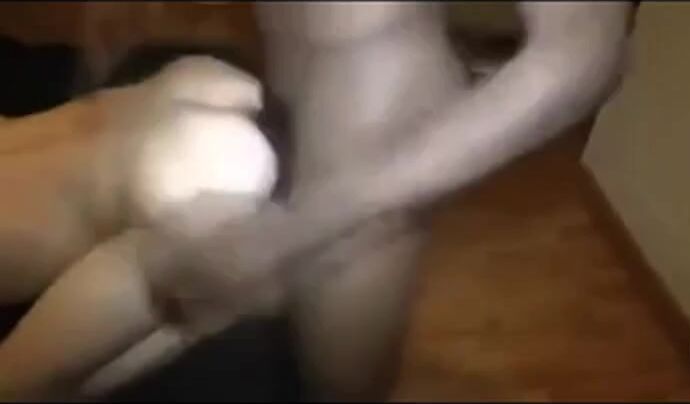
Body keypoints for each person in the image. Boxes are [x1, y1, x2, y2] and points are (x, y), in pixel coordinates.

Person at [0, 1, 635, 400]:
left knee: (337, 386)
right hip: (284, 83)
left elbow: (585, 52)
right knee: (208, 307)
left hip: (368, 132)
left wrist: (309, 225)